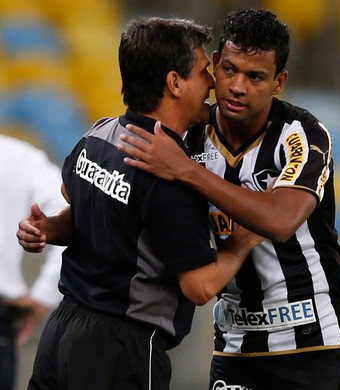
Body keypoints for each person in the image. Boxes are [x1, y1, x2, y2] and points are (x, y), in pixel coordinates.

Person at [117, 8, 340, 390]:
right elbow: (124, 198)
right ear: (214, 64)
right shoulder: (189, 135)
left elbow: (281, 221)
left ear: (279, 82)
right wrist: (56, 224)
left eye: (255, 77)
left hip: (314, 344)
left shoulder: (303, 134)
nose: (237, 86)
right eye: (229, 70)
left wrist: (187, 171)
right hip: (236, 345)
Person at [15, 16, 262, 390]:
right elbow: (198, 286)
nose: (212, 82)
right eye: (201, 71)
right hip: (122, 347)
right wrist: (240, 243)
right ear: (174, 83)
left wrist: (50, 228)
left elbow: (80, 207)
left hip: (62, 333)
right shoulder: (169, 177)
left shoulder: (97, 135)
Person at [0, 134, 67, 390]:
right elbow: (77, 217)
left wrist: (45, 294)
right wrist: (45, 295)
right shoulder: (18, 157)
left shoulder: (20, 158)